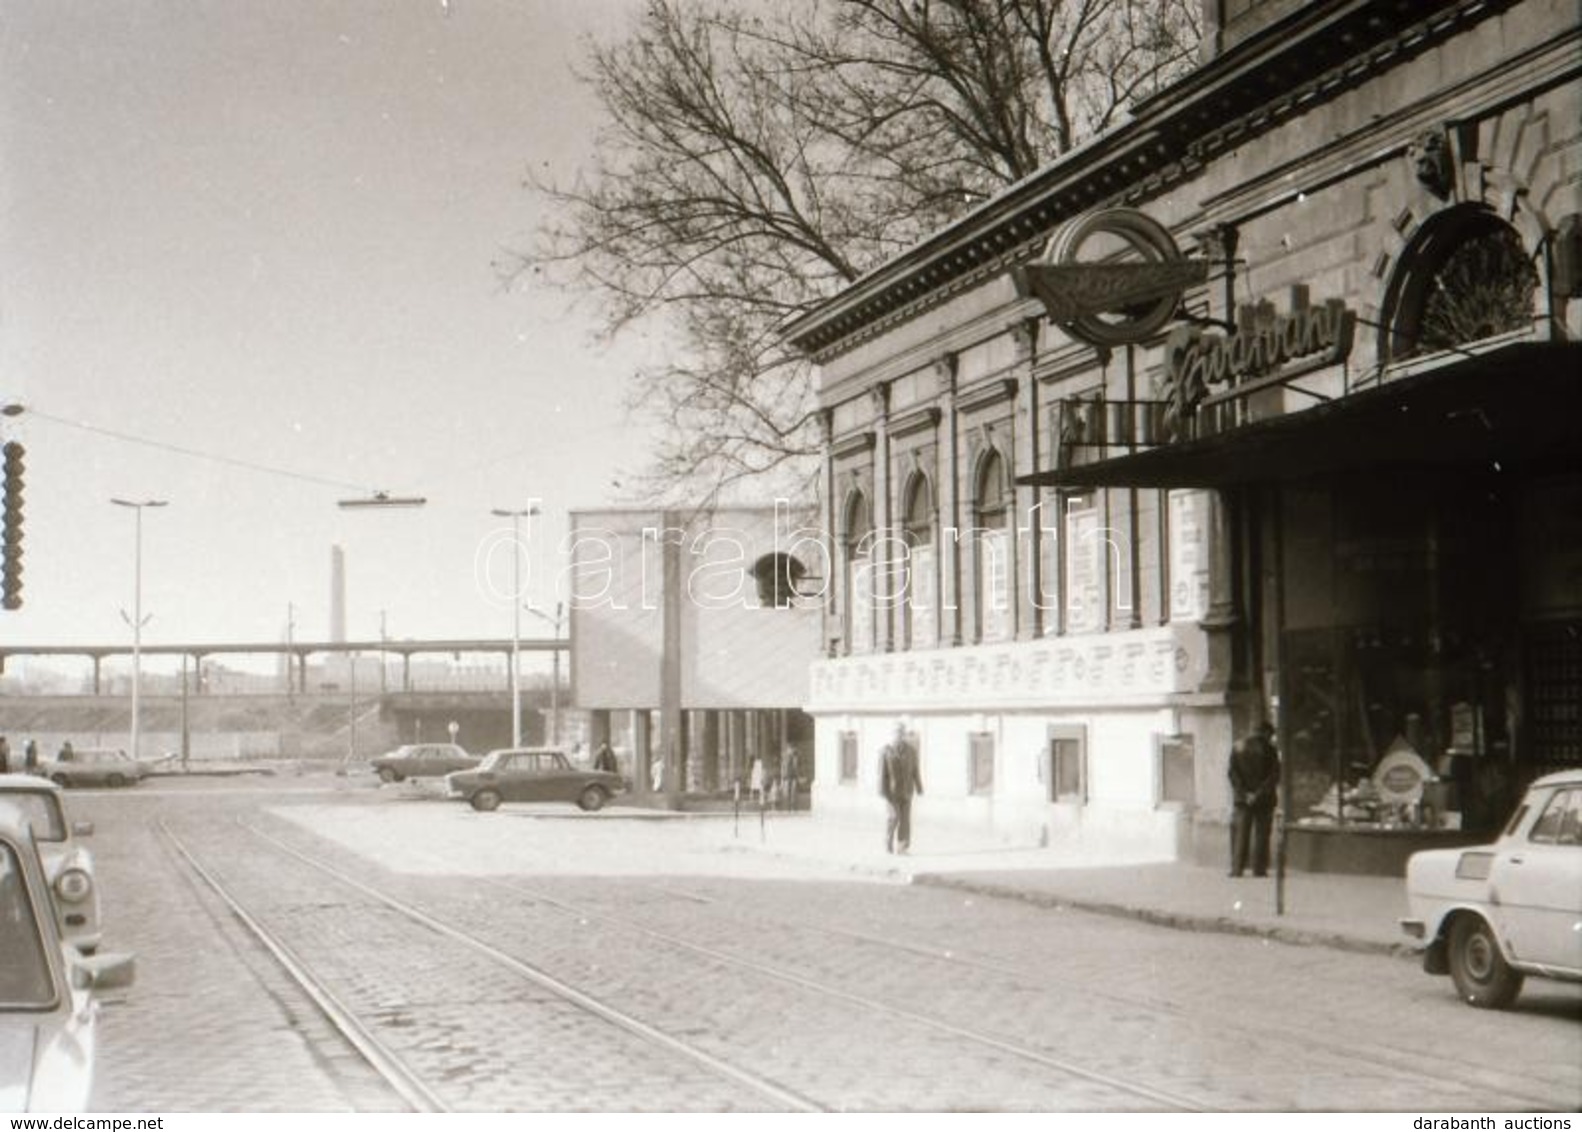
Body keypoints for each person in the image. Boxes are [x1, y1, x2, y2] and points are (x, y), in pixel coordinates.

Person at [1228, 719, 1281, 877]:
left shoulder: (1238, 747)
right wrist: (1258, 793)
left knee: (1241, 833)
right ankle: (1259, 869)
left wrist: (1244, 793)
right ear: (1266, 733)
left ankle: (1237, 869)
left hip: (1242, 799)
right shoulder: (1270, 749)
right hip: (1264, 799)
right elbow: (1274, 775)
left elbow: (1232, 774)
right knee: (1262, 834)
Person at [879, 722, 923, 854]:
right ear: (893, 734)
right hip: (891, 792)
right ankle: (887, 840)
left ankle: (902, 847)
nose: (900, 735)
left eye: (902, 733)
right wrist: (882, 791)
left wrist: (919, 787)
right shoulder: (886, 751)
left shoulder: (911, 751)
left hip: (907, 791)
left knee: (905, 819)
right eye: (897, 732)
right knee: (894, 816)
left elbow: (915, 770)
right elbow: (881, 774)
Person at [780, 745, 801, 811]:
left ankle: (792, 807)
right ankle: (788, 807)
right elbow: (783, 769)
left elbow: (797, 768)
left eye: (791, 749)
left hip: (792, 777)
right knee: (787, 793)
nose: (790, 751)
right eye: (789, 749)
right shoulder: (785, 758)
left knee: (793, 793)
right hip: (787, 777)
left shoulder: (795, 757)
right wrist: (782, 780)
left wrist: (798, 777)